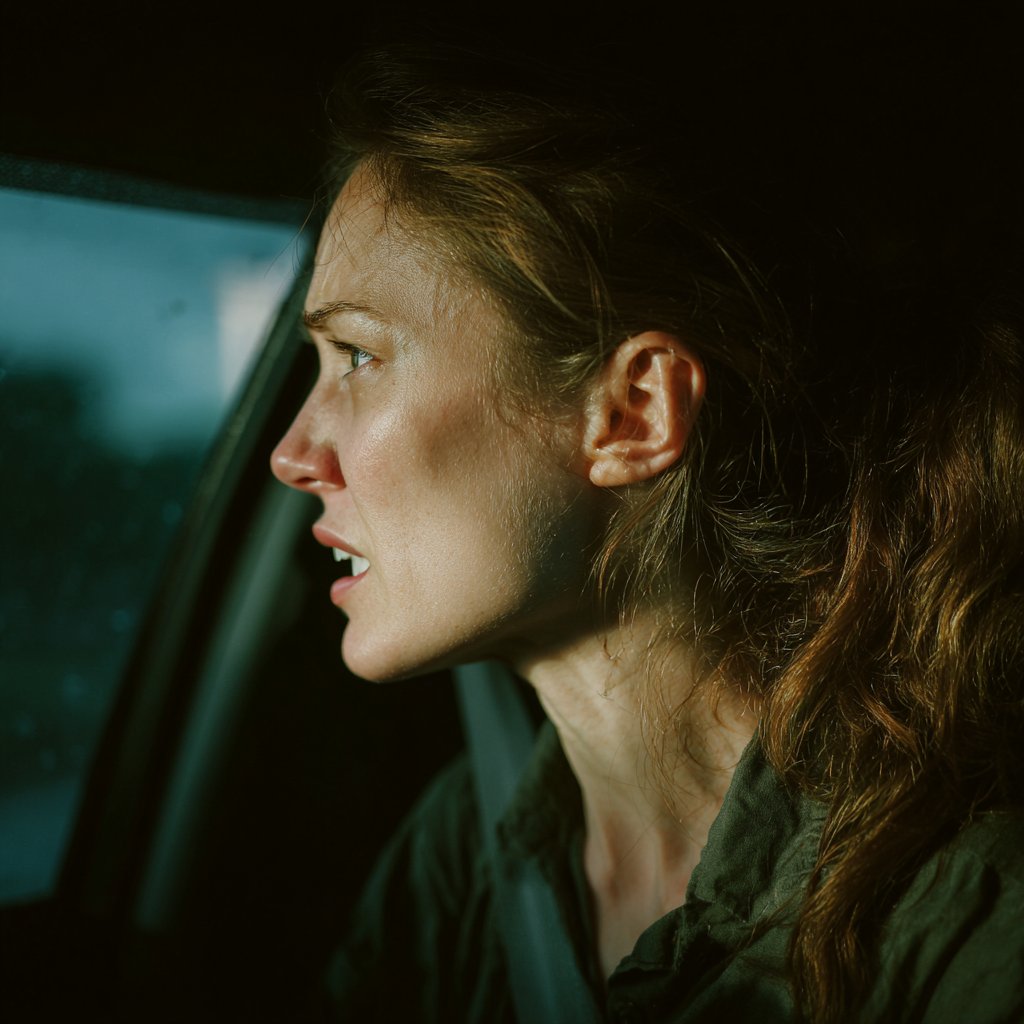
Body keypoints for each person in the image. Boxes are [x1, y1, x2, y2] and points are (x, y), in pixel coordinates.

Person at [270, 36, 1024, 1024]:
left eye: (358, 357)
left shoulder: (971, 921)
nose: (291, 452)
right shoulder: (460, 848)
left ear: (631, 412)